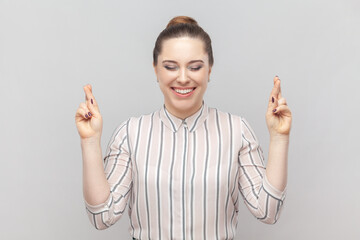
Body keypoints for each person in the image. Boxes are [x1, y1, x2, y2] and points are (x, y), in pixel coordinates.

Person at [75, 16, 292, 240]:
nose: (183, 78)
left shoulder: (237, 130)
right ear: (156, 70)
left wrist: (279, 137)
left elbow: (268, 211)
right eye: (170, 67)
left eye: (195, 67)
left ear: (209, 70)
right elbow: (102, 217)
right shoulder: (131, 133)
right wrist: (90, 142)